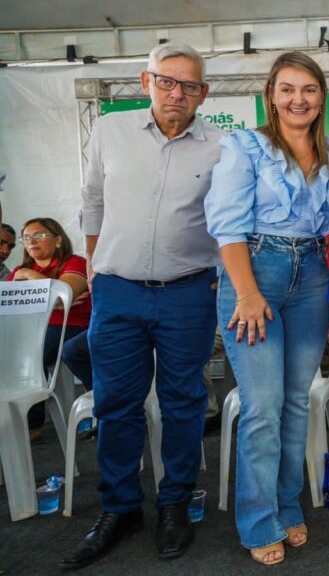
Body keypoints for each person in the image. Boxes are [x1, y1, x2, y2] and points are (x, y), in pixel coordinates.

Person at [62, 43, 222, 570]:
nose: (178, 93)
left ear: (204, 93)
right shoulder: (110, 131)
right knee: (116, 404)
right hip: (117, 291)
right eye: (167, 81)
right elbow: (92, 201)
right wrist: (94, 265)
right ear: (144, 80)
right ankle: (120, 507)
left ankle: (173, 503)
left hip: (188, 292)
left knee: (183, 403)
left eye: (190, 85)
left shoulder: (222, 145)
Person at [205, 51, 329, 565]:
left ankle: (286, 504)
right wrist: (247, 292)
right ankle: (258, 521)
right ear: (271, 96)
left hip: (312, 277)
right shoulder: (246, 146)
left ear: (321, 97)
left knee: (296, 401)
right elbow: (226, 227)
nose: (298, 99)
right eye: (287, 89)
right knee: (262, 406)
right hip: (255, 272)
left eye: (308, 89)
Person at [7, 218, 92, 440]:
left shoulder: (75, 263)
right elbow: (8, 306)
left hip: (72, 326)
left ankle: (31, 425)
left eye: (39, 235)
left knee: (31, 353)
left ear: (58, 240)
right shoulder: (18, 270)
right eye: (26, 237)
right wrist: (53, 294)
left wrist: (29, 277)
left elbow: (62, 299)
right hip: (32, 328)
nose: (31, 241)